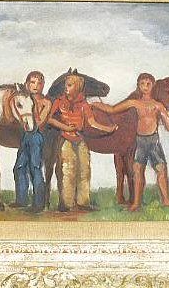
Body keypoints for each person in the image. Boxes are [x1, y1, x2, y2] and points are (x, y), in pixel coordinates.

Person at [92, 72, 169, 211]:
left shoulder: (158, 106)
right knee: (138, 171)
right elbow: (112, 109)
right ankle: (136, 203)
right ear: (138, 86)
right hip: (140, 141)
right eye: (142, 84)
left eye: (148, 84)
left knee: (161, 170)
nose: (145, 86)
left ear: (153, 85)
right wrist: (96, 104)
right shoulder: (134, 103)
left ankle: (166, 200)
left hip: (154, 141)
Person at [48, 72, 117, 212]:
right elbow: (50, 119)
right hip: (66, 139)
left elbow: (92, 122)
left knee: (84, 171)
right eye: (66, 85)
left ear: (78, 87)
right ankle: (66, 204)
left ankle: (83, 203)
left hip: (80, 139)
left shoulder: (84, 104)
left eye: (69, 85)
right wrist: (65, 127)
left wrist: (108, 129)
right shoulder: (59, 102)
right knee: (68, 170)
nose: (66, 88)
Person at [10, 71, 52, 212]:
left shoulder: (46, 102)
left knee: (35, 167)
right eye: (32, 82)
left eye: (39, 83)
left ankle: (38, 203)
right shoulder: (23, 98)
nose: (36, 86)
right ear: (27, 84)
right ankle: (21, 200)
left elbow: (39, 122)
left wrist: (29, 112)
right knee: (19, 167)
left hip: (36, 136)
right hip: (26, 136)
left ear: (43, 85)